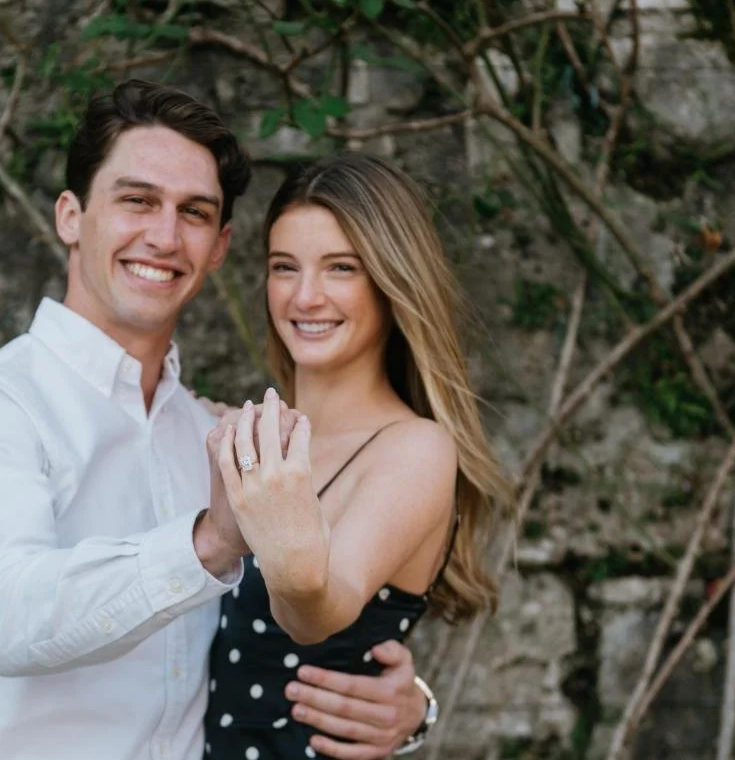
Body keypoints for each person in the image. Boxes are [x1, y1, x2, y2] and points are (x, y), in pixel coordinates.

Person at [0, 81, 428, 760]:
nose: (164, 235)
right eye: (137, 200)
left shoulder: (211, 435)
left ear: (218, 247)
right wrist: (207, 542)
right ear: (70, 215)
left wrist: (405, 707)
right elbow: (5, 618)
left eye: (195, 213)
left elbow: (257, 653)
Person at [201, 153, 515, 759]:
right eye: (284, 267)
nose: (306, 295)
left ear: (392, 281)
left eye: (341, 268)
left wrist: (287, 552)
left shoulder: (414, 449)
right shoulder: (247, 437)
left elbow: (321, 611)